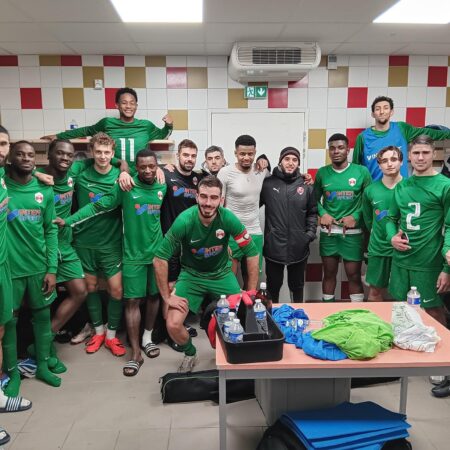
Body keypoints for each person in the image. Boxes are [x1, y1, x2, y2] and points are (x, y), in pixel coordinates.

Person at [56, 149, 166, 376]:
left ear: (157, 166)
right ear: (135, 168)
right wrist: (68, 221)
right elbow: (98, 206)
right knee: (132, 301)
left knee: (154, 296)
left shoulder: (162, 185)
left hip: (156, 255)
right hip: (132, 255)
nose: (147, 170)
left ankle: (147, 339)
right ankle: (135, 354)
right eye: (142, 167)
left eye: (152, 166)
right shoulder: (126, 187)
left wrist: (166, 169)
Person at [154, 176, 259, 373]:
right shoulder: (184, 220)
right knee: (173, 324)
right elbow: (159, 259)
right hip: (191, 276)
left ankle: (235, 353)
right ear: (196, 197)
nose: (208, 203)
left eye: (213, 197)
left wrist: (251, 293)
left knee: (246, 315)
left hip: (221, 275)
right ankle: (190, 353)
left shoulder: (228, 218)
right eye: (203, 196)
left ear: (221, 200)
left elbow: (252, 252)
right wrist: (167, 297)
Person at [4, 141, 60, 394]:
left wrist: (52, 268)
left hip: (39, 266)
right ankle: (13, 373)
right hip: (10, 269)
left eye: (30, 155)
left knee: (43, 316)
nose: (26, 158)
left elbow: (50, 230)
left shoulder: (44, 190)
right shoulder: (3, 186)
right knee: (10, 321)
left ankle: (43, 366)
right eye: (20, 154)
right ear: (10, 158)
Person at [70, 133, 125, 356]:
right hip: (84, 242)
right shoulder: (81, 175)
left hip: (111, 243)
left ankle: (111, 335)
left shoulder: (120, 177)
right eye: (99, 152)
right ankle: (99, 332)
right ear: (92, 152)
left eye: (107, 152)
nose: (103, 156)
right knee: (91, 288)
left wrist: (122, 167)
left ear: (113, 154)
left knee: (116, 290)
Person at [386, 135, 450, 323]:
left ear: (434, 154)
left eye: (425, 152)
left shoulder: (445, 185)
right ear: (409, 156)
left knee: (433, 312)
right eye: (416, 153)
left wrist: (447, 269)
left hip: (429, 262)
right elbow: (390, 218)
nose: (420, 158)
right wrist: (392, 237)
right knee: (401, 310)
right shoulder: (402, 186)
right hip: (401, 260)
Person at [41, 87, 173, 174]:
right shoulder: (107, 123)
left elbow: (163, 135)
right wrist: (59, 136)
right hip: (113, 174)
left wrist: (169, 126)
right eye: (124, 103)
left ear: (136, 106)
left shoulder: (146, 125)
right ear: (117, 105)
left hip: (139, 175)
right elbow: (86, 130)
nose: (128, 106)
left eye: (132, 103)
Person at [314, 133, 372, 302]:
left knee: (354, 276)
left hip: (353, 234)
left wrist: (355, 215)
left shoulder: (361, 172)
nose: (336, 151)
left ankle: (357, 313)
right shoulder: (322, 173)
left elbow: (368, 201)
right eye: (332, 148)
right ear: (328, 151)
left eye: (340, 147)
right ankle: (328, 311)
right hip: (329, 234)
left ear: (348, 150)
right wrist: (323, 213)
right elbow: (313, 200)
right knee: (328, 274)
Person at [0, 127, 32, 416]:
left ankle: (1, 389)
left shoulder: (2, 178)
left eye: (2, 144)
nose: (0, 149)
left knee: (1, 327)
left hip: (4, 266)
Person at [260, 146, 317, 302]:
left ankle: (298, 314)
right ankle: (273, 316)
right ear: (280, 161)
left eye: (294, 160)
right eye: (287, 159)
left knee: (297, 287)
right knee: (273, 287)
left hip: (299, 247)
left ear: (298, 163)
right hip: (274, 247)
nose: (291, 163)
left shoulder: (306, 185)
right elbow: (251, 204)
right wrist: (261, 159)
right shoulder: (267, 184)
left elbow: (312, 212)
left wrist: (309, 235)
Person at [353, 96, 450, 181]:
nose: (382, 112)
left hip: (401, 190)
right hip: (374, 191)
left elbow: (427, 133)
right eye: (378, 109)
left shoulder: (401, 128)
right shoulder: (363, 137)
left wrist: (448, 134)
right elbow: (355, 168)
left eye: (386, 108)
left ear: (391, 112)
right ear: (373, 114)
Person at [217, 135, 269, 288]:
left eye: (250, 154)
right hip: (232, 233)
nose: (246, 157)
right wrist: (221, 236)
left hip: (254, 231)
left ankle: (250, 304)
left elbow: (281, 176)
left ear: (255, 153)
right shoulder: (225, 172)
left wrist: (303, 177)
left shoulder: (261, 171)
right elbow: (218, 206)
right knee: (229, 280)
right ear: (235, 153)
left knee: (253, 281)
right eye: (242, 154)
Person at [362, 146, 403, 301]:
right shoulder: (370, 190)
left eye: (393, 159)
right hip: (378, 249)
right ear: (379, 165)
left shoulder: (410, 187)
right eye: (384, 161)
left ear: (401, 162)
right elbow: (368, 220)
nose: (389, 164)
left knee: (405, 293)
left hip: (405, 250)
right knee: (375, 292)